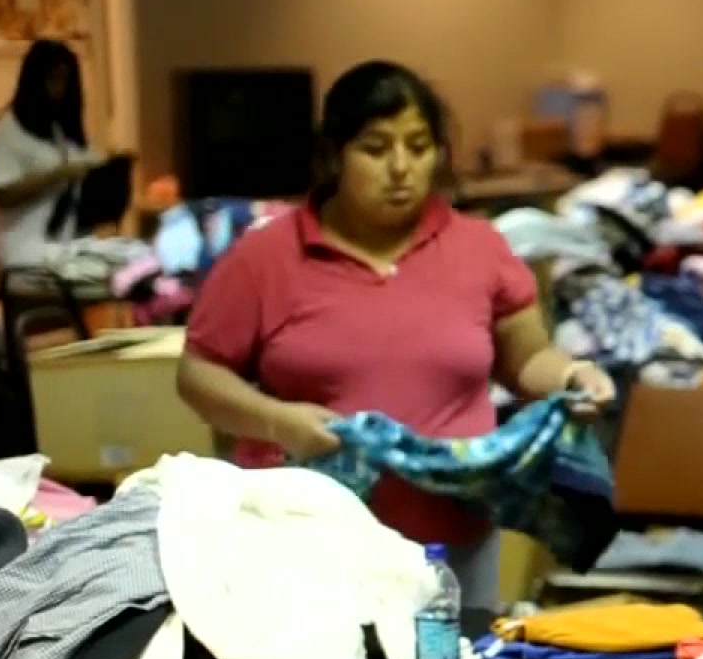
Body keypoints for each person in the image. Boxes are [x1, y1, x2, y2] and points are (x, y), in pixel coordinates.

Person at [178, 60, 614, 613]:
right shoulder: (264, 259)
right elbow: (198, 375)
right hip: (305, 546)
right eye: (376, 148)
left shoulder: (479, 249)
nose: (401, 168)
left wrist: (572, 375)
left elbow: (527, 359)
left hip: (454, 542)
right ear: (334, 154)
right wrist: (278, 421)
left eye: (419, 146)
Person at [0, 38, 117, 269]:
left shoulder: (60, 129)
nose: (60, 89)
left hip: (67, 246)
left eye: (65, 81)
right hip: (26, 253)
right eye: (54, 79)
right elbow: (2, 196)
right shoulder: (7, 131)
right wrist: (57, 175)